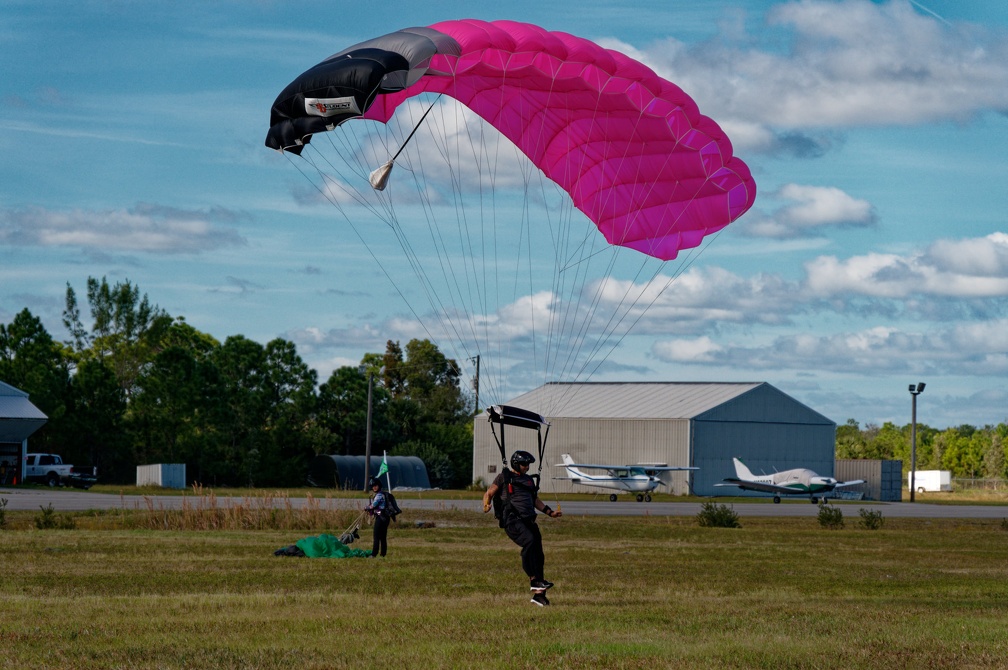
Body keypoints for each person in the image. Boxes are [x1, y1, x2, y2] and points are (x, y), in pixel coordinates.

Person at [482, 450, 562, 606]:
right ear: (516, 464)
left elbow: (535, 500)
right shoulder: (504, 477)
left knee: (538, 554)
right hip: (512, 520)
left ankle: (539, 596)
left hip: (528, 520)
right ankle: (534, 579)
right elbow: (489, 492)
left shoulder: (529, 481)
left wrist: (550, 512)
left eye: (528, 464)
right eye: (524, 464)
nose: (527, 467)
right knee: (529, 542)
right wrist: (486, 504)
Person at [364, 476, 393, 557]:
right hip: (385, 518)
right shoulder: (382, 494)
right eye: (373, 486)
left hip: (381, 518)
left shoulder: (379, 495)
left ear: (379, 486)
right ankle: (383, 554)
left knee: (376, 536)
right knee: (383, 537)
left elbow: (373, 506)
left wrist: (366, 508)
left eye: (376, 485)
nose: (374, 487)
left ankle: (373, 554)